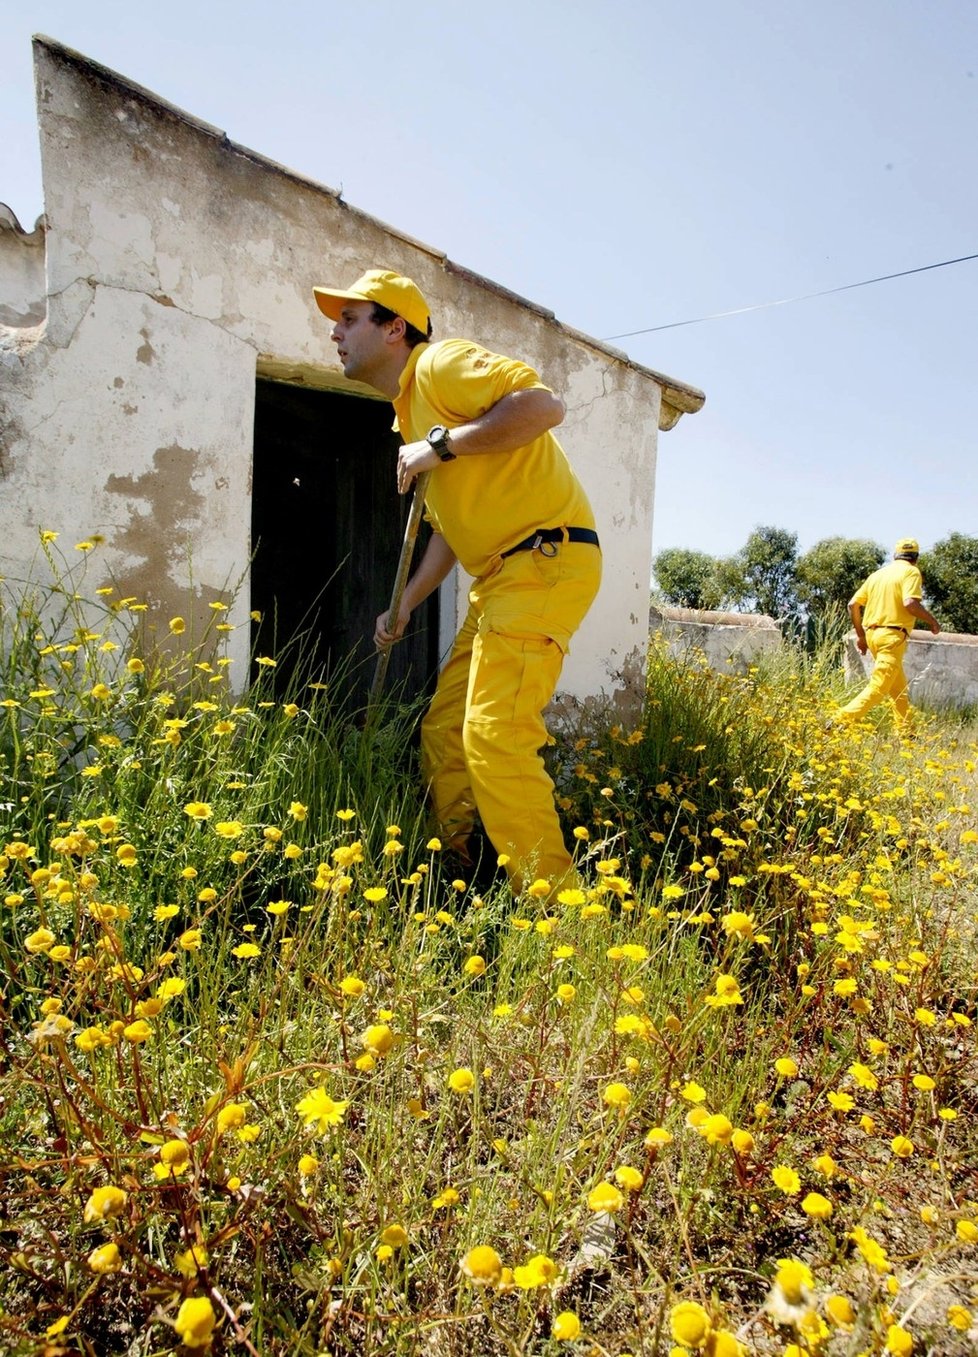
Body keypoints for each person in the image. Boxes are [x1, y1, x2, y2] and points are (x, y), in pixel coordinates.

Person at [312, 269, 602, 892]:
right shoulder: (407, 417)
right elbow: (448, 534)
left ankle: (560, 918)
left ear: (395, 328)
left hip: (544, 560)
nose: (334, 332)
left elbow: (543, 406)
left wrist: (439, 447)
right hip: (498, 579)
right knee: (445, 729)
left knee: (495, 736)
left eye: (349, 318)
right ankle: (463, 867)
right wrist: (407, 606)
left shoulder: (439, 367)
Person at [836, 537, 940, 731]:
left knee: (899, 690)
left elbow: (853, 605)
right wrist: (932, 621)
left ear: (895, 556)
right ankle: (839, 719)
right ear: (915, 558)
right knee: (879, 687)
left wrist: (861, 636)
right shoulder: (911, 572)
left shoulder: (878, 575)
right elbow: (910, 603)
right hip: (892, 638)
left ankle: (907, 735)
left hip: (873, 636)